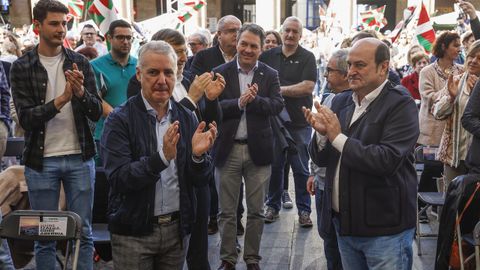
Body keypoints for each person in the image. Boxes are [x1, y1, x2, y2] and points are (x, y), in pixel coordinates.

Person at [101, 40, 217, 270]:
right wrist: (162, 158)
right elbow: (119, 178)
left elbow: (199, 180)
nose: (162, 81)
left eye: (168, 73)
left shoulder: (186, 116)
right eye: (153, 72)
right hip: (133, 233)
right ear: (139, 74)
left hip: (176, 231)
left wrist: (197, 157)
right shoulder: (120, 119)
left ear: (177, 76)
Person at [305, 38, 419, 270]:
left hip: (384, 230)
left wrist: (337, 137)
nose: (352, 72)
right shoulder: (340, 101)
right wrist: (322, 136)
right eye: (349, 65)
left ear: (383, 67)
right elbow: (322, 159)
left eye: (360, 65)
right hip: (345, 224)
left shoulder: (400, 104)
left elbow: (385, 160)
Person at [10, 1, 103, 269]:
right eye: (54, 23)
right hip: (42, 161)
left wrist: (82, 94)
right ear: (37, 26)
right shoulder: (22, 66)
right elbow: (27, 119)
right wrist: (62, 100)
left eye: (64, 23)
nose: (61, 29)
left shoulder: (80, 61)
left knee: (83, 232)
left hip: (80, 157)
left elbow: (96, 111)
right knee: (44, 235)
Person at [213, 23, 284, 270]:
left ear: (261, 49)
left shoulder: (269, 74)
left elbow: (276, 105)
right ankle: (227, 259)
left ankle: (252, 258)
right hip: (227, 150)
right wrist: (239, 103)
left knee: (256, 211)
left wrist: (254, 101)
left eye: (254, 45)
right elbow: (211, 109)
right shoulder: (220, 72)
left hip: (259, 152)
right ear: (237, 43)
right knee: (226, 212)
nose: (248, 49)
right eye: (244, 43)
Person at [261, 16, 317, 227]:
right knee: (275, 166)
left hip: (299, 122)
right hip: (273, 121)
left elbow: (307, 87)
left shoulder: (307, 57)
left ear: (300, 35)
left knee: (301, 167)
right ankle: (272, 206)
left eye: (295, 31)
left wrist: (278, 90)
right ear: (281, 32)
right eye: (287, 31)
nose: (291, 35)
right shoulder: (267, 56)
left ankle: (304, 211)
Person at [190, 15, 243, 236]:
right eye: (231, 30)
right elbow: (198, 87)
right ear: (218, 34)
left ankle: (237, 217)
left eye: (239, 30)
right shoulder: (204, 57)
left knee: (235, 175)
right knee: (212, 174)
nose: (236, 35)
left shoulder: (246, 56)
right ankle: (213, 216)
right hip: (210, 121)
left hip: (238, 123)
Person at [306, 49, 349, 270]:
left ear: (345, 73)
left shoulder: (357, 104)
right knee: (329, 240)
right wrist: (314, 173)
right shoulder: (330, 99)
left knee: (344, 248)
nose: (325, 76)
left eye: (330, 71)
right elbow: (318, 146)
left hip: (344, 191)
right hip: (323, 183)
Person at [418, 31, 463, 222]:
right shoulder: (427, 71)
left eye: (460, 45)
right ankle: (421, 211)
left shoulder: (461, 70)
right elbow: (428, 96)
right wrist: (450, 93)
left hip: (454, 130)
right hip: (433, 129)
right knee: (432, 170)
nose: (459, 48)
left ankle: (441, 209)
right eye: (455, 45)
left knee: (448, 171)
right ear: (444, 47)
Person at [433, 40, 480, 191]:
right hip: (455, 157)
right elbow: (437, 113)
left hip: (477, 160)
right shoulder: (456, 81)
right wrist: (451, 98)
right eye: (471, 56)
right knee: (452, 205)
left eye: (479, 58)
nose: (473, 61)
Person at [91, 20, 137, 147]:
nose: (126, 42)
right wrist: (121, 121)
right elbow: (95, 98)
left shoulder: (141, 65)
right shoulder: (94, 66)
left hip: (136, 134)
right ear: (109, 38)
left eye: (129, 37)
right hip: (106, 134)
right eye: (120, 37)